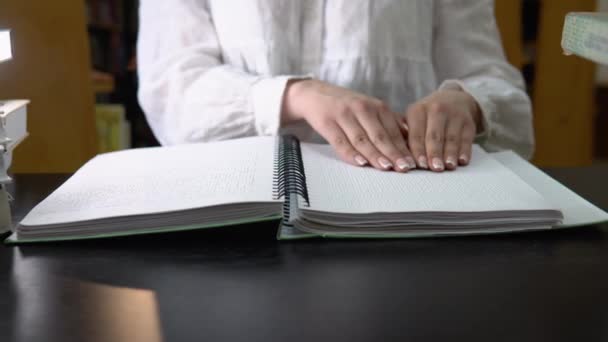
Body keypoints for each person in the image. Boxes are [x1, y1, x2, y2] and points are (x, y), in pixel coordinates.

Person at [137, 0, 534, 173]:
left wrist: (466, 102)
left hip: (407, 209)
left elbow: (496, 84)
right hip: (233, 220)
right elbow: (170, 89)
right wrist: (293, 95)